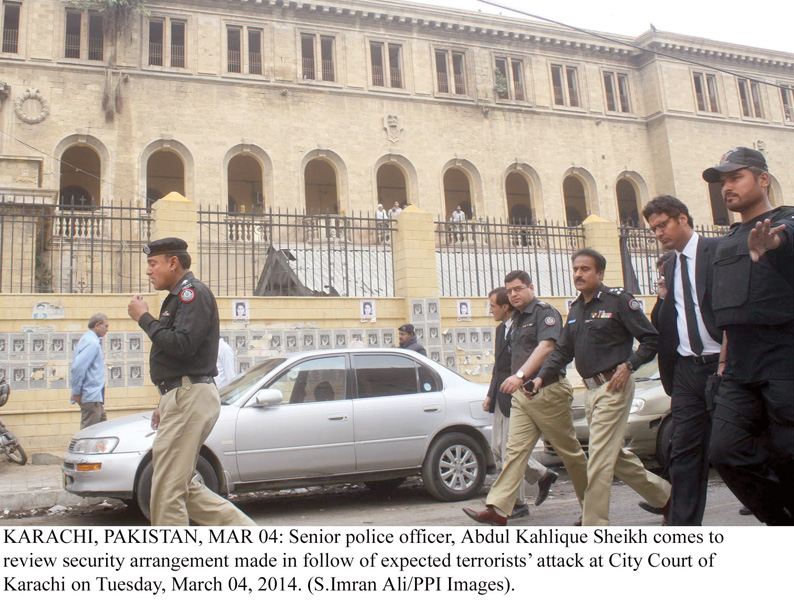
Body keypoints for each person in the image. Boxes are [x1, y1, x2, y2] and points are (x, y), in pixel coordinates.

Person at [531, 250, 671, 526]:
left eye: (585, 269)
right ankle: (666, 497)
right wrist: (539, 378)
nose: (578, 274)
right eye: (575, 269)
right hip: (591, 391)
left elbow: (650, 339)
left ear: (600, 274)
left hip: (614, 386)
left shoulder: (619, 301)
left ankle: (594, 522)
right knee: (613, 455)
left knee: (598, 456)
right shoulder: (576, 308)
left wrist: (629, 365)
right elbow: (562, 351)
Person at [128, 237, 253, 526]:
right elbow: (177, 359)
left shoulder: (192, 294)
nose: (148, 271)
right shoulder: (177, 297)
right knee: (180, 484)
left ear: (173, 263)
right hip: (182, 395)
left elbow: (182, 345)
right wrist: (166, 399)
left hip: (190, 396)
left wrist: (144, 318)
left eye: (152, 263)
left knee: (166, 490)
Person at [702, 147, 794, 525]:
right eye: (723, 181)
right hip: (740, 369)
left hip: (784, 362)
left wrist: (775, 244)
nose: (727, 187)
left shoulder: (786, 221)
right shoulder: (727, 241)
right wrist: (723, 365)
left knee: (788, 457)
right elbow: (730, 314)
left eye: (735, 177)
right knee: (725, 453)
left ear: (763, 179)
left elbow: (788, 236)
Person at [463, 272, 587, 526]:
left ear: (531, 287)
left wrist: (520, 375)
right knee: (514, 451)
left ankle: (592, 506)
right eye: (509, 291)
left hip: (548, 391)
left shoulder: (545, 312)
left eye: (518, 289)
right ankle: (499, 508)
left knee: (571, 454)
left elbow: (547, 347)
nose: (513, 294)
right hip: (522, 396)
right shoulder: (516, 320)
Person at [642, 196, 723, 526]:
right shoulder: (671, 265)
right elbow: (672, 318)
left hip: (724, 364)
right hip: (688, 369)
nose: (658, 233)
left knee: (733, 449)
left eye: (663, 225)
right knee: (684, 453)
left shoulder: (718, 252)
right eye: (653, 229)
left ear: (683, 219)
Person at [480, 286, 559, 519]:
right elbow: (499, 366)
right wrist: (490, 395)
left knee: (509, 450)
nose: (490, 310)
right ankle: (543, 474)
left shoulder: (522, 326)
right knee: (497, 448)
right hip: (500, 396)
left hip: (519, 393)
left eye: (493, 306)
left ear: (505, 307)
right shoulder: (500, 330)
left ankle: (517, 503)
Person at [70, 313, 109, 430]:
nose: (107, 330)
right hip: (90, 395)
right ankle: (80, 449)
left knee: (102, 430)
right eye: (106, 326)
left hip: (95, 396)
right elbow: (78, 367)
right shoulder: (91, 342)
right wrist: (76, 392)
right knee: (89, 433)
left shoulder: (90, 340)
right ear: (97, 325)